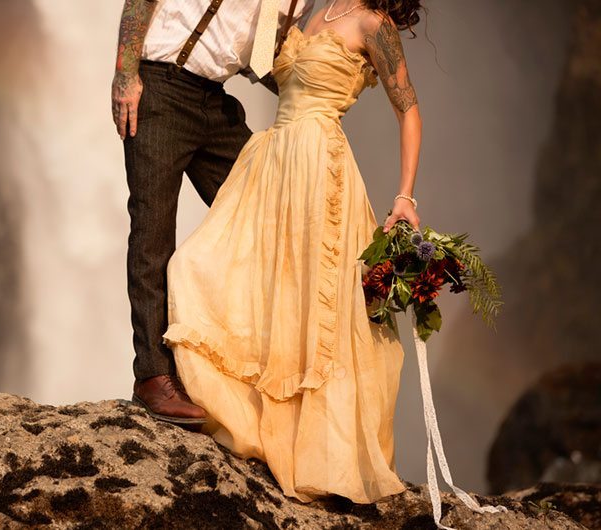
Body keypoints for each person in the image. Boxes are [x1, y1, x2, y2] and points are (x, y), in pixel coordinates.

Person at [163, 0, 424, 504]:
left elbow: (408, 110)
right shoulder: (305, 10)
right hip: (272, 160)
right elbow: (256, 65)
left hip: (318, 165)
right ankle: (262, 429)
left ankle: (318, 455)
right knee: (203, 268)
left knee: (315, 309)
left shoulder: (375, 25)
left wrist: (404, 197)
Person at [112, 0, 314, 425]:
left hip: (216, 103)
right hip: (162, 88)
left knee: (266, 214)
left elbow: (258, 62)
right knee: (153, 232)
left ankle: (228, 369)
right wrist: (125, 73)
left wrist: (326, 85)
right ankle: (152, 376)